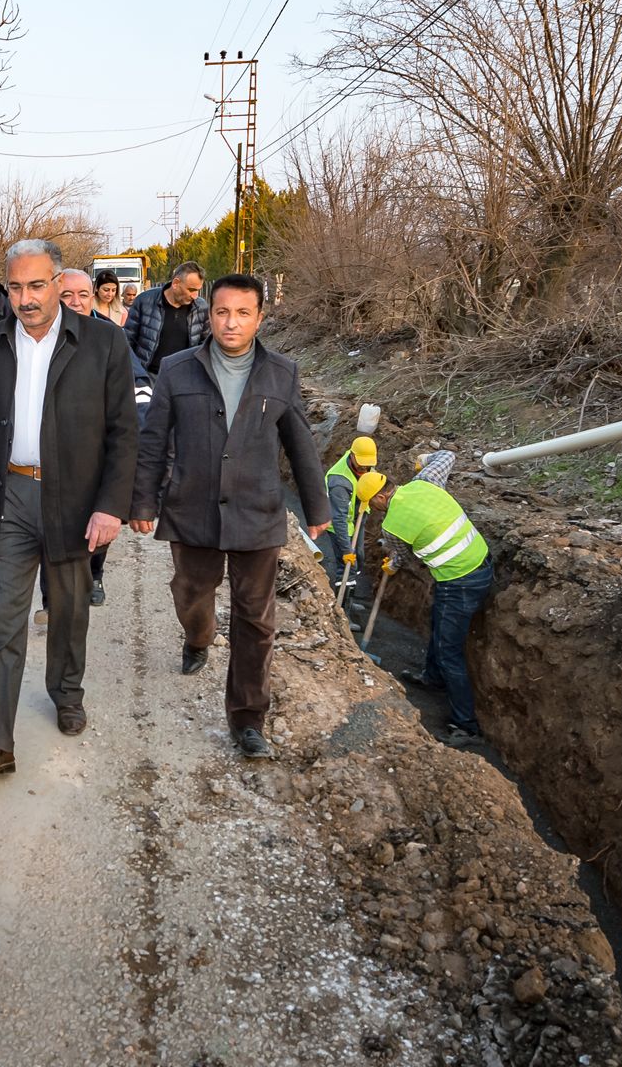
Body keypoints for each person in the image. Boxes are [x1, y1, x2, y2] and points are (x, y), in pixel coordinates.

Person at [0, 239, 136, 778]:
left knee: (69, 609)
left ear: (58, 282)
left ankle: (67, 692)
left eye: (37, 285)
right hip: (7, 497)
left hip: (73, 502)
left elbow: (125, 433)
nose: (26, 298)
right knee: (2, 621)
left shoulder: (102, 343)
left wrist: (110, 507)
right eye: (15, 287)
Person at [130, 274, 330, 761]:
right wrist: (142, 501)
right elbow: (154, 440)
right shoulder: (178, 370)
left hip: (256, 511)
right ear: (209, 314)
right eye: (222, 312)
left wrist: (317, 506)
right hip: (192, 506)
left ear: (260, 317)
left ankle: (247, 718)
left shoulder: (281, 373)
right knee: (192, 593)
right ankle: (197, 638)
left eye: (243, 313)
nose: (231, 322)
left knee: (255, 619)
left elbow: (300, 443)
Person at [35, 268, 151, 617]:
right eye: (67, 295)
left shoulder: (109, 336)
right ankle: (51, 599)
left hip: (96, 455)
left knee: (97, 522)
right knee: (48, 532)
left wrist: (138, 427)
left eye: (83, 295)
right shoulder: (37, 338)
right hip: (50, 456)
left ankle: (95, 574)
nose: (76, 302)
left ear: (95, 297)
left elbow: (139, 389)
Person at [363, 471, 493, 747]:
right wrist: (422, 461)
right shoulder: (423, 483)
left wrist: (392, 564)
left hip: (459, 581)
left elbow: (403, 556)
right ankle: (432, 677)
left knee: (450, 652)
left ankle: (466, 726)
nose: (372, 510)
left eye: (370, 504)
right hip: (480, 561)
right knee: (438, 622)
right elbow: (445, 456)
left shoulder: (393, 526)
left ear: (380, 496)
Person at [123, 260, 208, 375]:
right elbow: (127, 342)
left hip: (185, 378)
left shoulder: (201, 307)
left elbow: (206, 345)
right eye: (191, 290)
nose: (195, 296)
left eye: (198, 290)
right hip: (148, 377)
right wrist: (137, 375)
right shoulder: (144, 301)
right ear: (176, 283)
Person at [322, 435, 379, 586]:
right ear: (352, 455)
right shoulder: (339, 482)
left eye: (368, 464)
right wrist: (346, 550)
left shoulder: (366, 462)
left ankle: (353, 576)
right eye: (361, 464)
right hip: (340, 524)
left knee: (359, 555)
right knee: (347, 565)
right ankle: (343, 601)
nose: (364, 468)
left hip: (358, 516)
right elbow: (338, 518)